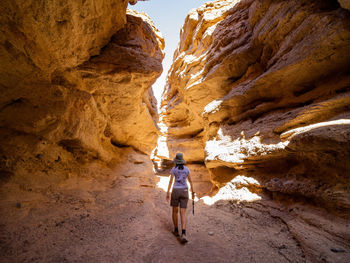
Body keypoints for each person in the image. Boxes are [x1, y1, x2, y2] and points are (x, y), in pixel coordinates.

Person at [166, 153, 195, 243]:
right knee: (183, 212)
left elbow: (171, 181)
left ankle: (176, 231)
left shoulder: (174, 169)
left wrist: (168, 192)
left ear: (176, 161)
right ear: (182, 161)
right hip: (184, 191)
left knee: (175, 211)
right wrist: (193, 192)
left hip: (176, 191)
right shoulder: (187, 169)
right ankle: (183, 233)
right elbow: (190, 181)